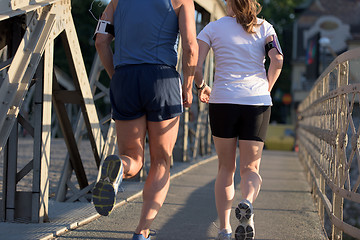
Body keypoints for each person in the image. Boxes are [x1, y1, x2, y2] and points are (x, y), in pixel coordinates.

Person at [92, 0, 198, 239]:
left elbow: (100, 41)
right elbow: (191, 47)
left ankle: (120, 167)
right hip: (162, 79)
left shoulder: (117, 1)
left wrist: (116, 76)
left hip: (125, 77)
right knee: (161, 161)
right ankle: (142, 231)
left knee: (133, 157)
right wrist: (188, 86)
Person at [194, 0, 283, 239]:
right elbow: (278, 60)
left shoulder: (213, 28)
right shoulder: (265, 27)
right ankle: (246, 202)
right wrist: (266, 88)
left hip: (223, 101)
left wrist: (201, 86)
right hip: (256, 102)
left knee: (226, 168)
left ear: (229, 2)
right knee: (250, 168)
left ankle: (224, 229)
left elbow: (196, 64)